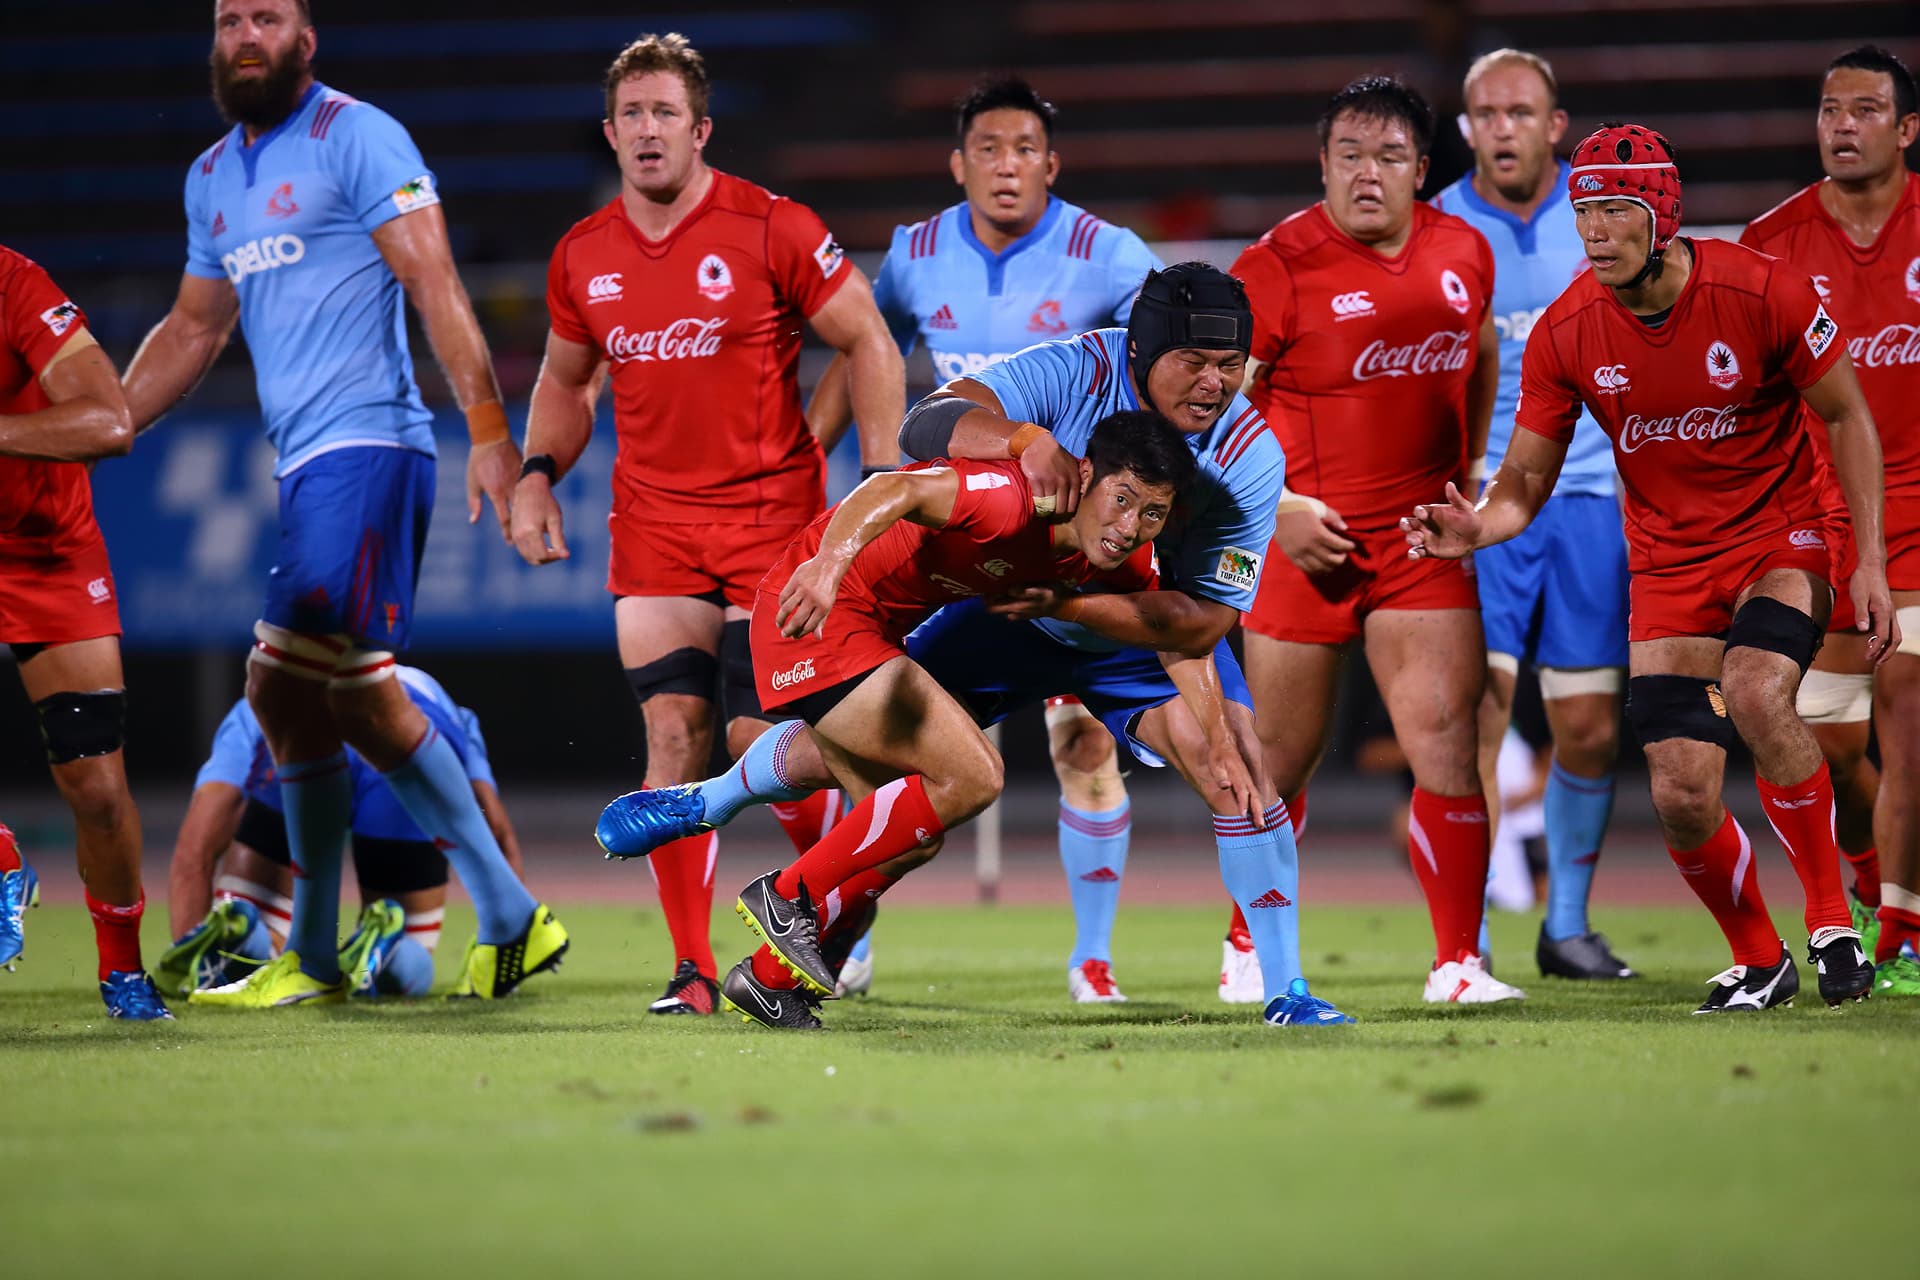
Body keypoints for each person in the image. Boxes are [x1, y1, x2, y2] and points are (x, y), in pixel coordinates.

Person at [605, 263, 1356, 1029]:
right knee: (892, 791)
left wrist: (1094, 617)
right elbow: (920, 431)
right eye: (1192, 361)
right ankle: (723, 815)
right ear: (1141, 352)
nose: (1213, 383)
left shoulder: (1251, 457)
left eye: (1230, 366)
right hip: (1009, 612)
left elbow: (1201, 623)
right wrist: (1023, 441)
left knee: (1240, 767)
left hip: (1132, 619)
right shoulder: (1075, 373)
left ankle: (1285, 991)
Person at [122, 0, 565, 1007]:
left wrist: (491, 435)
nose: (245, 33)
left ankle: (320, 955)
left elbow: (435, 279)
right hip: (305, 467)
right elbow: (193, 329)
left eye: (267, 17)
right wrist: (109, 420)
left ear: (304, 40)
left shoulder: (357, 135)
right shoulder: (210, 178)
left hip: (368, 445)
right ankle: (505, 914)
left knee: (278, 683)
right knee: (347, 696)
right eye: (229, 17)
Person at [1404, 122, 1896, 1013]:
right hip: (1669, 565)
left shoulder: (1761, 291)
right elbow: (1522, 484)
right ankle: (1759, 956)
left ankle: (1830, 922)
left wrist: (1871, 563)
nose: (1594, 230)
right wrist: (1474, 527)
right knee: (1678, 789)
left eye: (1614, 211)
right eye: (1584, 211)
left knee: (1754, 690)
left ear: (1661, 216)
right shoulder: (1567, 332)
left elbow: (1850, 417)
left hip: (1780, 537)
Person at [507, 33, 904, 1017]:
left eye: (665, 115)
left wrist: (887, 483)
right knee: (674, 734)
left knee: (760, 740)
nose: (648, 131)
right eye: (632, 115)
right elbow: (564, 379)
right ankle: (690, 971)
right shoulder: (583, 254)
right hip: (653, 528)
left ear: (701, 129)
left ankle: (828, 894)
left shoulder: (771, 226)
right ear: (610, 133)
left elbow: (867, 337)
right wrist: (534, 473)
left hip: (774, 520)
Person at [808, 74, 1162, 1002]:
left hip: (1071, 542)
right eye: (989, 151)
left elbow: (1168, 366)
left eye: (1026, 151)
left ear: (1054, 163)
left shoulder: (1109, 253)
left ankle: (1092, 959)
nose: (1008, 167)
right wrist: (823, 456)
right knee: (886, 741)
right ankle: (843, 926)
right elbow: (868, 347)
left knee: (1081, 739)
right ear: (958, 164)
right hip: (951, 537)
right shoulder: (916, 253)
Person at [725, 412, 1213, 1027]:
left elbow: (1172, 630)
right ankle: (785, 892)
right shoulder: (1014, 498)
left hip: (873, 636)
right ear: (1085, 476)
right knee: (976, 775)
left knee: (899, 842)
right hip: (818, 608)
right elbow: (890, 488)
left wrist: (1217, 726)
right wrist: (829, 562)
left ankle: (766, 982)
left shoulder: (1111, 564)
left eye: (1151, 514)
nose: (1127, 527)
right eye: (1121, 500)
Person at [1231, 76, 1517, 1003]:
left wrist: (1468, 481)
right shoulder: (1272, 267)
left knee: (1447, 743)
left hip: (1419, 544)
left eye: (1389, 158)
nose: (1367, 174)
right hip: (1300, 542)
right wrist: (1277, 512)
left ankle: (1458, 964)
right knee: (1278, 760)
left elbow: (1478, 357)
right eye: (1348, 156)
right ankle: (1248, 942)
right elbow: (1206, 411)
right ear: (1321, 165)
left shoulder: (1464, 250)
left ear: (1422, 171)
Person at [1429, 50, 1636, 981]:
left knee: (1589, 725)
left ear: (1556, 125)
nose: (1502, 126)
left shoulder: (1604, 222)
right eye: (1485, 113)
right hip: (1485, 504)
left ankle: (1566, 927)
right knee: (1479, 719)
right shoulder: (1435, 227)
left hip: (1590, 498)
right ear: (1465, 127)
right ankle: (1462, 945)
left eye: (1520, 111)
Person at [1739, 46, 1920, 995]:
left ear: (1908, 128)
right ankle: (1863, 883)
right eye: (1828, 108)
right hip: (1821, 523)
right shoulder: (1771, 243)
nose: (1842, 123)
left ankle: (1902, 927)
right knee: (1837, 754)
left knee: (1912, 715)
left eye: (1866, 107)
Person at [0, 244, 169, 1020]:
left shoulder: (12, 282)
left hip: (44, 550)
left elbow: (109, 421)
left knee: (97, 790)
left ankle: (124, 976)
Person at [157, 666, 519, 999]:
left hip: (300, 730)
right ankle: (383, 950)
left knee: (255, 925)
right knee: (407, 940)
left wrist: (191, 964)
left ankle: (240, 935)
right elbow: (497, 833)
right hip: (413, 731)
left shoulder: (260, 698)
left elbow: (197, 847)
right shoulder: (450, 710)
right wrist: (510, 951)